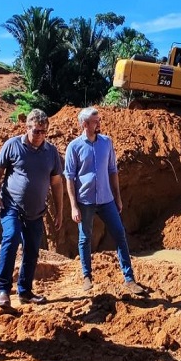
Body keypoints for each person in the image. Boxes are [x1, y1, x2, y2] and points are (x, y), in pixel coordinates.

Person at [64, 107, 145, 295]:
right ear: (84, 124)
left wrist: (117, 198)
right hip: (85, 201)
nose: (98, 124)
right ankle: (87, 276)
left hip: (106, 199)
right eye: (95, 121)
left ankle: (129, 278)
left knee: (119, 234)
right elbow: (70, 178)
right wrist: (74, 206)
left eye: (98, 120)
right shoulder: (74, 147)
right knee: (85, 238)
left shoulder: (107, 143)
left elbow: (112, 171)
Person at [0, 109, 63, 307]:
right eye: (36, 131)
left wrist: (59, 211)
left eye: (43, 131)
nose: (39, 136)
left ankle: (25, 291)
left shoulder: (51, 152)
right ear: (27, 127)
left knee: (32, 251)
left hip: (36, 211)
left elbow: (56, 183)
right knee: (11, 238)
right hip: (11, 206)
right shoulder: (13, 145)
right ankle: (3, 290)